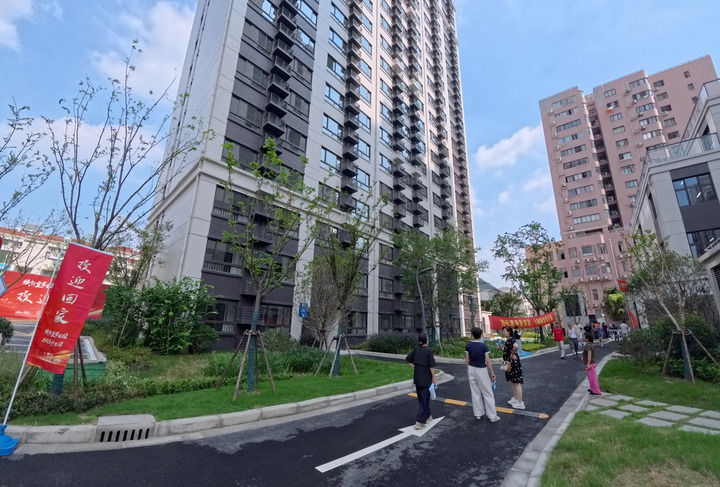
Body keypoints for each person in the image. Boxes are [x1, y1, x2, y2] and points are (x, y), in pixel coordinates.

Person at [465, 327, 500, 423]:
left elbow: (467, 359)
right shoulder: (484, 346)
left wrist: (468, 369)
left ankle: (478, 414)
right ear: (481, 335)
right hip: (481, 370)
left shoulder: (468, 345)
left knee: (475, 392)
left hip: (471, 369)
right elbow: (488, 360)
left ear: (472, 335)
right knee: (487, 393)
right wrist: (492, 372)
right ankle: (492, 416)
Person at [406, 334, 437, 429]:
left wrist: (413, 366)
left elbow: (408, 358)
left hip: (417, 378)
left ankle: (427, 416)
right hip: (426, 379)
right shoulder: (428, 351)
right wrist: (434, 377)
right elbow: (431, 366)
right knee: (425, 400)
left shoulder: (416, 349)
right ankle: (419, 421)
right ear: (426, 341)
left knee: (422, 399)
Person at [500, 326, 525, 409]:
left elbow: (516, 346)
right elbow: (508, 350)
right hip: (509, 362)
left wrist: (512, 354)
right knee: (513, 381)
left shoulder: (511, 339)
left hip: (512, 363)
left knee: (516, 382)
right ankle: (516, 398)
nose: (503, 332)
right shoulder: (509, 339)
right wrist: (502, 349)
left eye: (504, 331)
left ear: (509, 332)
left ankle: (520, 402)